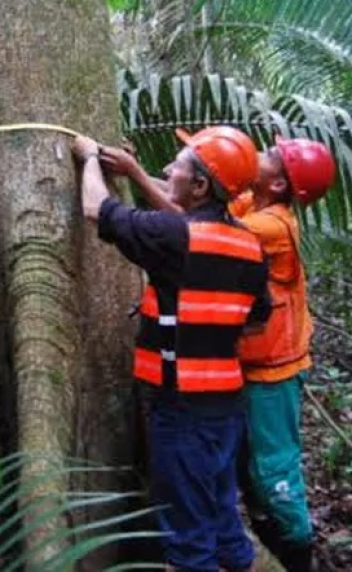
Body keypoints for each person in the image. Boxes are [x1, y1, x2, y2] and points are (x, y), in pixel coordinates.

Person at [72, 127, 271, 572]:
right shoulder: (249, 246)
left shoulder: (173, 236)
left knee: (187, 535)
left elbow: (95, 209)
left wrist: (87, 158)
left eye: (177, 166)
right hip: (226, 407)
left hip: (181, 407)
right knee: (221, 514)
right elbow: (257, 315)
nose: (167, 170)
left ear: (199, 186)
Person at [230, 137, 335, 572]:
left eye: (269, 157)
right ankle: (270, 534)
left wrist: (138, 177)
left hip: (273, 374)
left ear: (278, 183)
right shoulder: (250, 201)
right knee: (247, 462)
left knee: (274, 468)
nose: (257, 155)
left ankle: (298, 553)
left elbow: (195, 226)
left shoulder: (272, 226)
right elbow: (198, 197)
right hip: (250, 366)